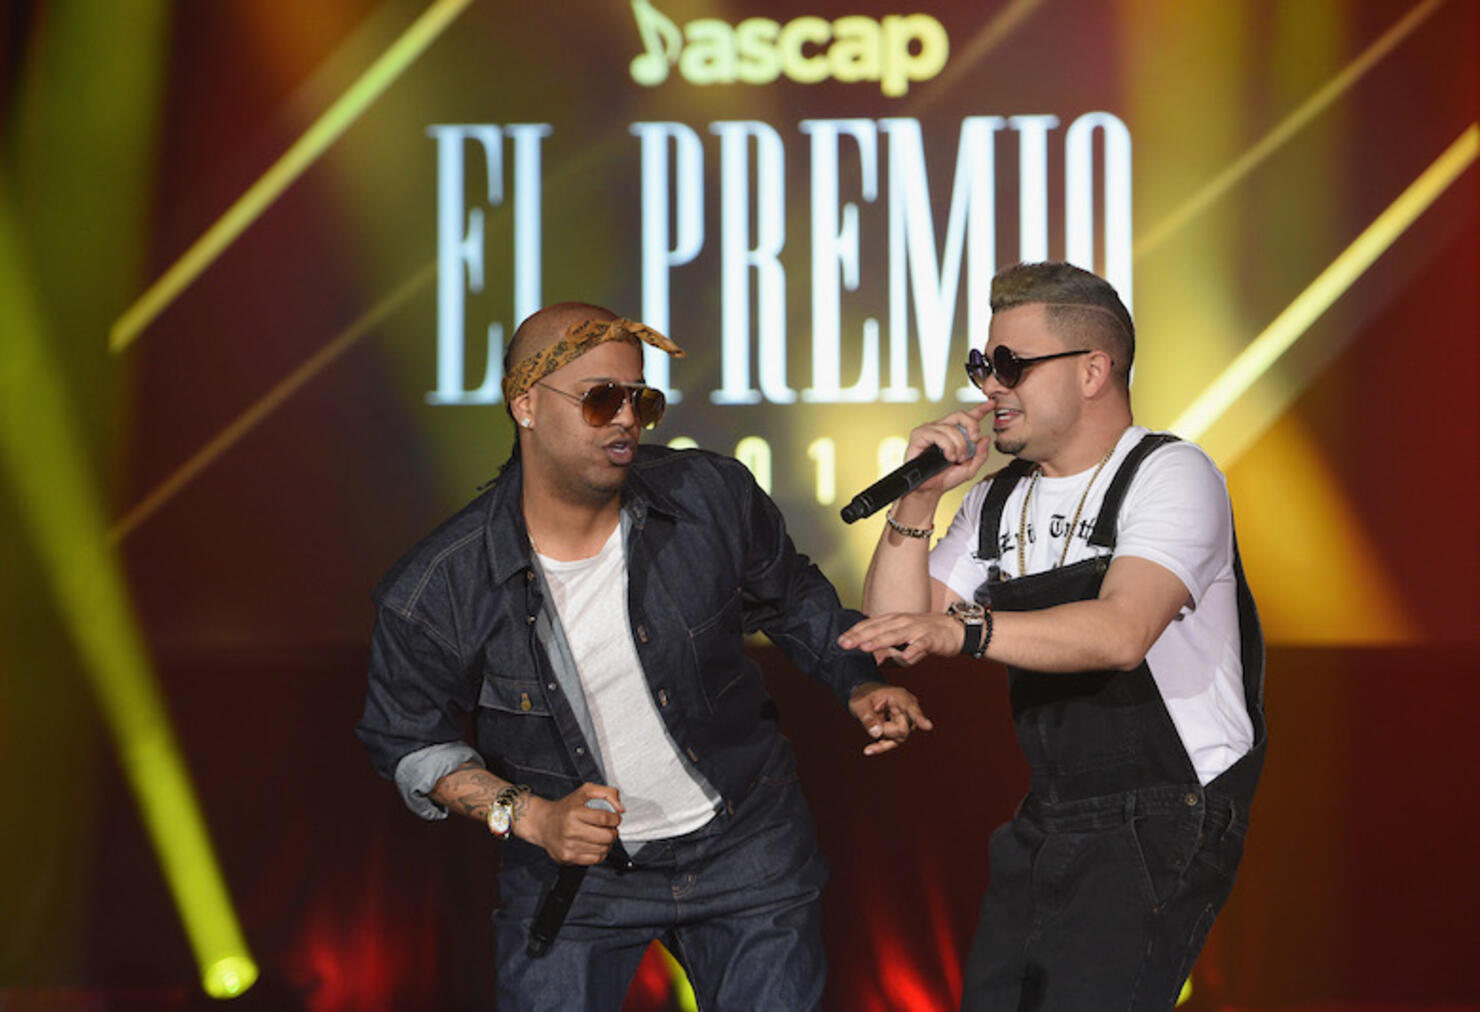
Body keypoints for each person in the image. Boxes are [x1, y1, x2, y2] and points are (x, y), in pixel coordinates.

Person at [357, 302, 930, 1011]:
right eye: (601, 399)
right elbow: (409, 740)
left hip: (745, 842)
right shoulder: (438, 586)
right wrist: (532, 817)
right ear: (525, 406)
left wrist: (857, 682)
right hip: (575, 877)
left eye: (640, 399)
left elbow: (793, 598)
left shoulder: (710, 496)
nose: (626, 418)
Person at [839, 262, 1266, 1010]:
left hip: (1166, 810)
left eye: (1010, 365)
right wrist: (919, 498)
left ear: (1094, 369)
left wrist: (962, 630)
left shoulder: (1171, 474)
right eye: (983, 366)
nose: (990, 388)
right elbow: (892, 634)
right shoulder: (998, 500)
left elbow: (1120, 632)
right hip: (1056, 808)